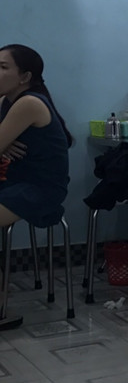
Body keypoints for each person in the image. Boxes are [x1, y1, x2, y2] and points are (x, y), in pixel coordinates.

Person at [0, 45, 72, 329]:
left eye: (3, 67)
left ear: (25, 76)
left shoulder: (29, 103)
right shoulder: (8, 101)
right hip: (15, 183)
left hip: (40, 189)